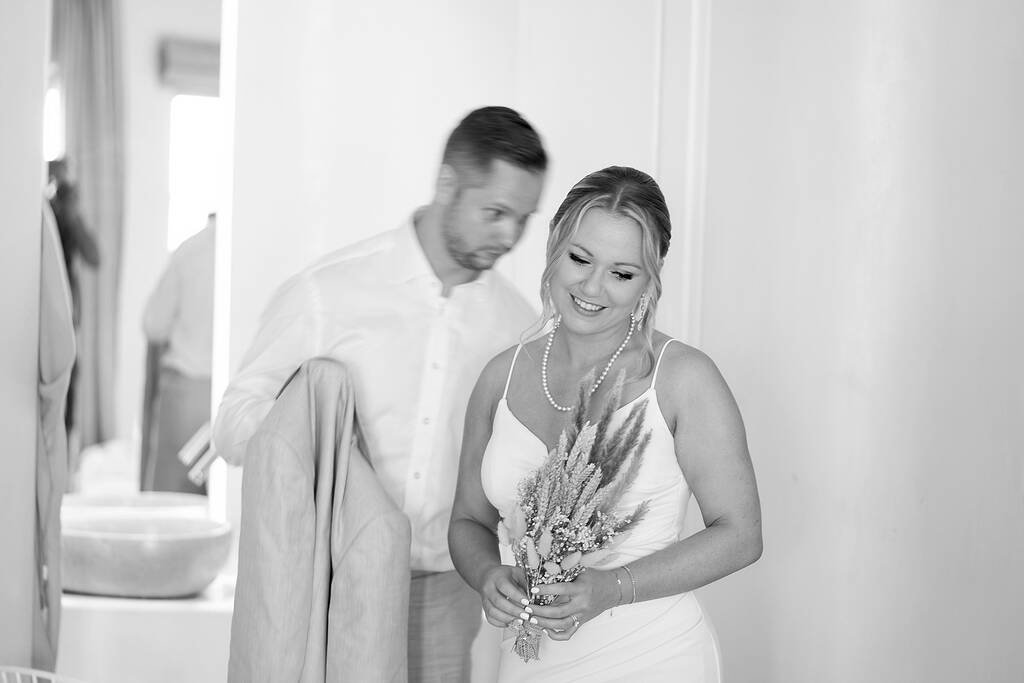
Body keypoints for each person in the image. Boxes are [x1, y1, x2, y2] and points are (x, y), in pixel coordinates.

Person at [213, 106, 548, 682]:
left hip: (446, 592)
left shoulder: (518, 328)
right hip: (330, 579)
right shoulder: (329, 293)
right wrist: (321, 448)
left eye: (523, 218)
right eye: (495, 213)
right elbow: (233, 422)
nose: (510, 236)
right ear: (448, 184)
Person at [448, 166, 763, 682]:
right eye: (579, 258)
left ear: (650, 278)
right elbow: (467, 521)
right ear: (554, 246)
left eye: (622, 272)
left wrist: (612, 587)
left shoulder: (684, 379)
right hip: (528, 663)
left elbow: (741, 535)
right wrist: (486, 573)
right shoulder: (499, 377)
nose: (593, 286)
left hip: (653, 659)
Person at [141, 213, 216, 494]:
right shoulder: (251, 254)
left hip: (185, 392)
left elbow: (153, 324)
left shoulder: (189, 252)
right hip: (232, 398)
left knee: (172, 503)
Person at [47, 157, 100, 436]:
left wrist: (74, 214)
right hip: (45, 320)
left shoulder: (71, 218)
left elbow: (95, 257)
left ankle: (67, 463)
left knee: (69, 397)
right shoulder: (42, 214)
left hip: (68, 320)